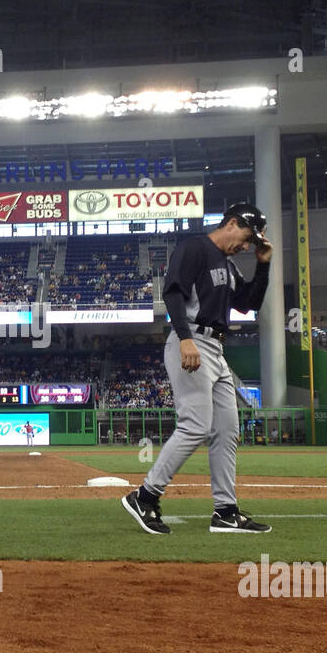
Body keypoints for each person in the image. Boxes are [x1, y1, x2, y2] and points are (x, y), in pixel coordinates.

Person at [122, 203, 274, 535]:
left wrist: (263, 266)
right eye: (247, 238)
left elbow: (247, 304)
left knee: (227, 430)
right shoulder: (195, 247)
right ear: (232, 223)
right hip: (190, 340)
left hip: (216, 349)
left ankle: (225, 511)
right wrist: (184, 338)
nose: (247, 246)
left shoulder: (230, 265)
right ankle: (145, 497)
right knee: (195, 425)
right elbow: (173, 292)